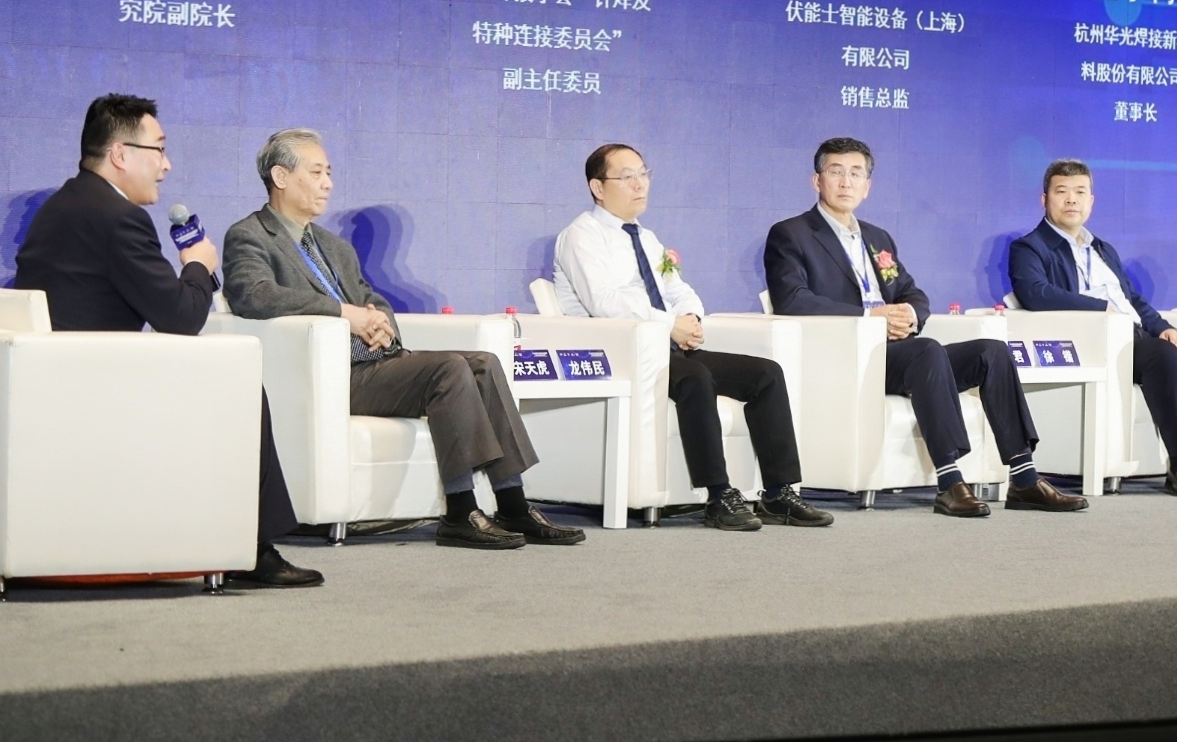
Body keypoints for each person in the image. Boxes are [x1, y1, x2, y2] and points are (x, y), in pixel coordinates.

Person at [223, 128, 582, 549]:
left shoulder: (332, 246)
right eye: (316, 172)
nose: (328, 183)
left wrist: (381, 321)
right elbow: (254, 294)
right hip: (331, 375)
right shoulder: (249, 235)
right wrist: (345, 314)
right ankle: (460, 511)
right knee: (449, 369)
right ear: (281, 176)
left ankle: (513, 502)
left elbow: (369, 296)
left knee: (483, 364)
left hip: (377, 362)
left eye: (329, 172)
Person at [14, 95, 321, 587]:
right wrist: (198, 264)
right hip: (97, 385)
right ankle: (253, 548)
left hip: (55, 382)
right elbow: (180, 318)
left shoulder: (60, 206)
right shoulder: (118, 218)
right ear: (120, 154)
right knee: (242, 385)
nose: (167, 165)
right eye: (159, 149)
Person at [764, 136, 1086, 517]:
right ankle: (949, 482)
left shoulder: (877, 238)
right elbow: (792, 299)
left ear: (867, 187)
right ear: (817, 181)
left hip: (901, 354)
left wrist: (909, 315)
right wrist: (870, 317)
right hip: (848, 354)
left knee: (992, 351)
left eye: (856, 174)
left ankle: (1025, 478)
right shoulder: (791, 234)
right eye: (836, 172)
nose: (846, 182)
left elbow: (912, 293)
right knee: (927, 349)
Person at [553, 142, 832, 529]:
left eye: (643, 174)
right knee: (695, 377)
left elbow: (678, 289)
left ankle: (779, 493)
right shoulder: (581, 235)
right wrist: (669, 324)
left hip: (666, 348)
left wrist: (690, 318)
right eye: (627, 177)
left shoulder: (646, 237)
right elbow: (604, 303)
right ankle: (718, 495)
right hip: (619, 352)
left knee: (766, 374)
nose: (640, 184)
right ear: (598, 187)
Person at [1008, 160, 1177, 497]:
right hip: (1100, 344)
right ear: (1044, 199)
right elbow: (1035, 293)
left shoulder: (1102, 249)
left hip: (1141, 341)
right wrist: (1100, 309)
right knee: (1160, 353)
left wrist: (1162, 326)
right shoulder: (1029, 247)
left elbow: (1131, 299)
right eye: (1062, 191)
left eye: (1080, 192)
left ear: (1091, 201)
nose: (1071, 200)